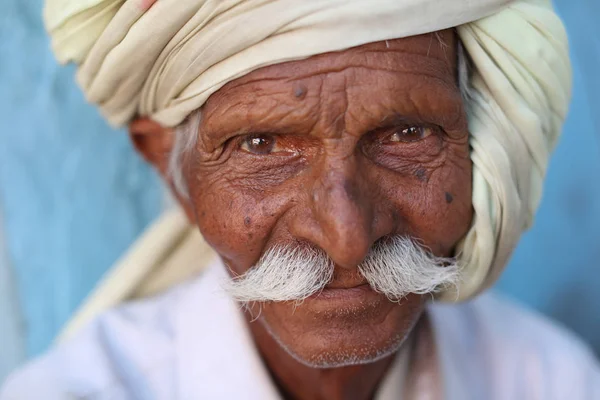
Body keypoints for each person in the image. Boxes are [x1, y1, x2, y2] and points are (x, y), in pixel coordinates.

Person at [2, 0, 599, 399]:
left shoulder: (549, 380)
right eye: (261, 145)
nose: (346, 236)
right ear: (168, 167)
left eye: (406, 134)